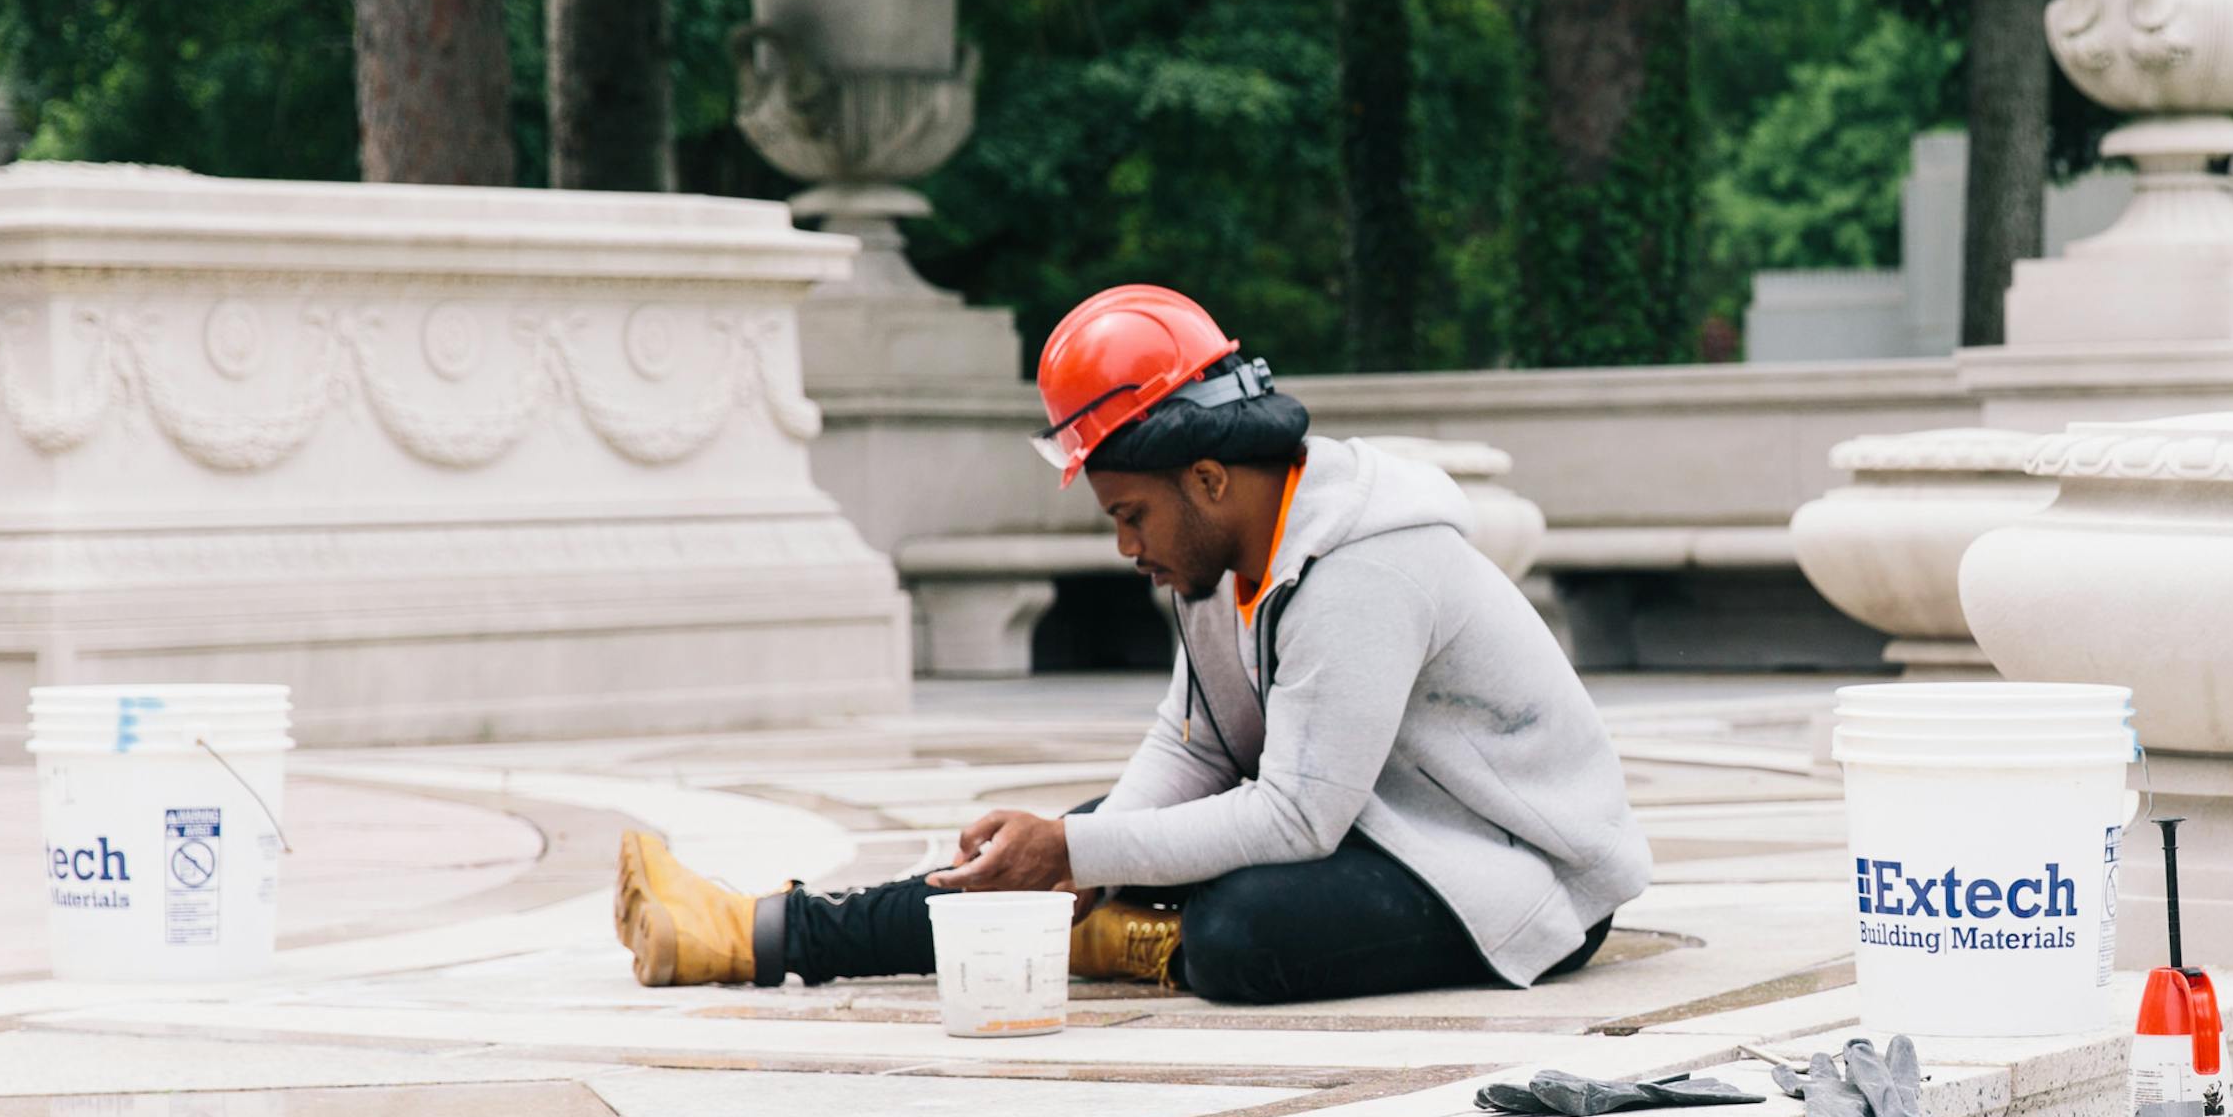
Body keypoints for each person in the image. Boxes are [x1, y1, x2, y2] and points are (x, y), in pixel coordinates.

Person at [613, 286, 1653, 1006]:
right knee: (1029, 860)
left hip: (1510, 875)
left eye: (1129, 513)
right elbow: (1193, 746)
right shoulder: (1216, 558)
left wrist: (1082, 854)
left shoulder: (1362, 568)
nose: (1125, 546)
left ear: (1206, 477)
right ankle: (755, 932)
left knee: (1242, 930)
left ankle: (1122, 938)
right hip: (1371, 833)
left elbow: (1296, 814)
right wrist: (1070, 854)